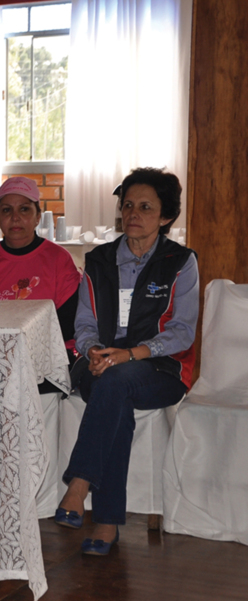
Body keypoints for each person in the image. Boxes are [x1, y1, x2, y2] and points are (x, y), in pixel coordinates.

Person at [55, 168, 199, 556]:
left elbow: (183, 332)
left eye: (146, 207)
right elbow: (83, 324)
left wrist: (131, 354)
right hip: (100, 363)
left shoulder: (180, 262)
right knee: (112, 389)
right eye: (128, 205)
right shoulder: (99, 259)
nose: (132, 213)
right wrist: (94, 352)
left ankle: (81, 485)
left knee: (115, 385)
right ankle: (104, 520)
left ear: (166, 217)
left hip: (160, 368)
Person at [0, 176, 82, 354]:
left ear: (38, 217)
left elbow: (68, 321)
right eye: (6, 210)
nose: (15, 217)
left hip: (47, 354)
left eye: (24, 209)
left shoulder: (59, 260)